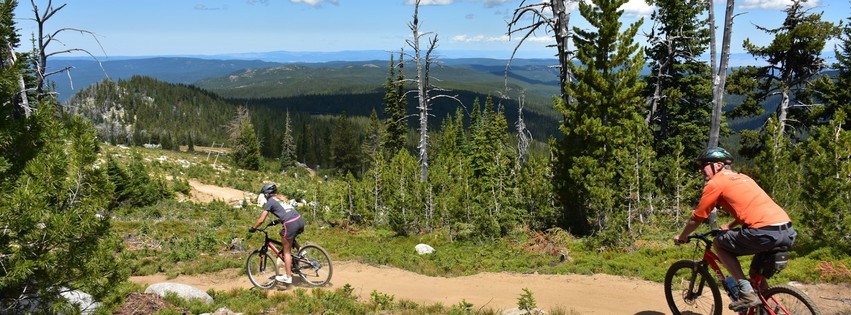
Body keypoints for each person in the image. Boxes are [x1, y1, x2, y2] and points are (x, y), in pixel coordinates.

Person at [673, 147, 797, 311]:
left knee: (719, 243)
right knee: (755, 274)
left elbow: (698, 217)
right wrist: (729, 226)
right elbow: (748, 208)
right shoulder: (743, 178)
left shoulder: (716, 183)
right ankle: (768, 308)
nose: (700, 169)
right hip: (787, 231)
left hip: (763, 233)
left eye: (704, 165)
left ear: (718, 165)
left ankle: (746, 292)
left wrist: (683, 236)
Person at [249, 183, 305, 284]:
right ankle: (301, 250)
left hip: (290, 223)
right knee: (284, 234)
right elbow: (286, 212)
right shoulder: (281, 199)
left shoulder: (270, 201)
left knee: (286, 251)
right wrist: (277, 221)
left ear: (267, 194)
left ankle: (288, 277)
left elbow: (261, 220)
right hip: (299, 220)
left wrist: (253, 228)